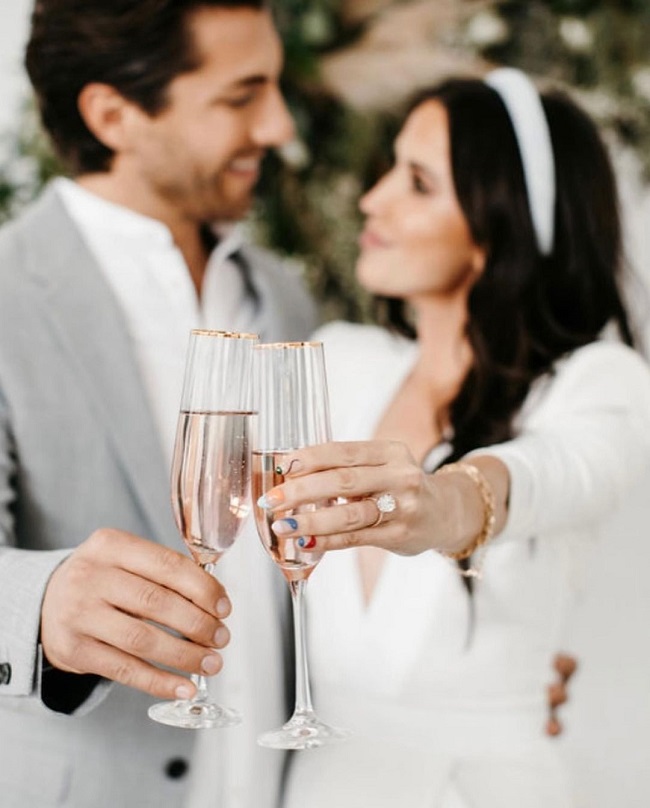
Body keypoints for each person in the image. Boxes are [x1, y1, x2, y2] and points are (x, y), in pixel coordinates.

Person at [256, 69, 650, 807]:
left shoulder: (598, 382)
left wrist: (451, 503)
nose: (373, 200)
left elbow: (558, 471)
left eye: (419, 182)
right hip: (315, 786)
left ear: (493, 227)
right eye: (389, 172)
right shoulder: (338, 363)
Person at [0, 2, 317, 807]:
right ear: (114, 115)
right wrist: (42, 606)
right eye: (241, 96)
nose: (277, 125)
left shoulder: (283, 296)